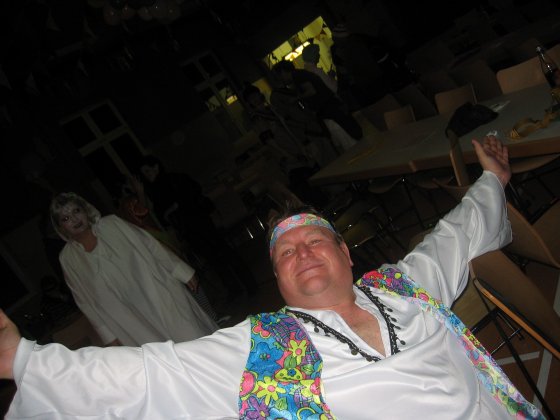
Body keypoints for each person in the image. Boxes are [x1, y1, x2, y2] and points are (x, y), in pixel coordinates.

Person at [0, 136, 544, 419]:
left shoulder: (402, 285)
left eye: (315, 241)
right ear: (280, 281)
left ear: (345, 254)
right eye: (285, 252)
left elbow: (458, 231)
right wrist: (22, 360)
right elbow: (148, 375)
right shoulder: (271, 349)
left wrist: (492, 178)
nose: (302, 252)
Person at [47, 192, 218, 346]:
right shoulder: (68, 259)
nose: (74, 219)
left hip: (158, 294)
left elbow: (150, 244)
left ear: (86, 210)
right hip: (130, 320)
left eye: (76, 211)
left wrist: (182, 271)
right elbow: (84, 300)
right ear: (60, 228)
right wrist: (108, 335)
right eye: (66, 218)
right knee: (162, 355)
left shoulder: (112, 224)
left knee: (192, 338)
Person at [136, 155, 259, 300]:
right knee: (214, 258)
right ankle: (235, 288)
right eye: (144, 173)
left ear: (156, 167)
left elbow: (191, 194)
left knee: (223, 253)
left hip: (200, 222)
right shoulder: (156, 191)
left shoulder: (174, 179)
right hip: (189, 229)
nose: (147, 176)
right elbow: (163, 215)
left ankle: (248, 284)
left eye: (148, 171)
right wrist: (172, 210)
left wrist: (174, 208)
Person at [272, 59, 363, 141]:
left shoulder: (298, 76)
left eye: (279, 76)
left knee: (350, 132)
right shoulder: (300, 74)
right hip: (330, 105)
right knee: (350, 130)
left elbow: (311, 91)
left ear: (283, 72)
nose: (280, 79)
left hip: (328, 106)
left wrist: (296, 98)